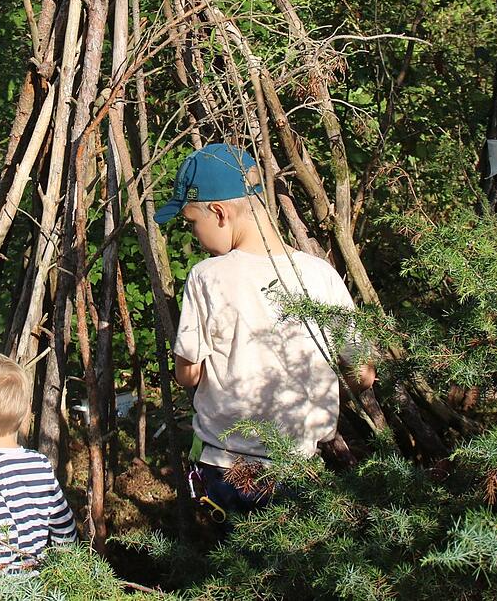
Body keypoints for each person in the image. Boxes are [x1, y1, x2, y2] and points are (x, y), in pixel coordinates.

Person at [154, 143, 376, 516]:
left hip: (229, 468)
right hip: (304, 464)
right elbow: (363, 374)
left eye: (192, 222)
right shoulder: (320, 274)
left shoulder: (208, 276)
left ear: (220, 213)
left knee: (236, 565)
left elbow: (188, 374)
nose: (193, 234)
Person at [0, 352, 77, 596]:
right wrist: (64, 577)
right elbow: (64, 527)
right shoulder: (39, 464)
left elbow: (0, 540)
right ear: (24, 413)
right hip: (37, 587)